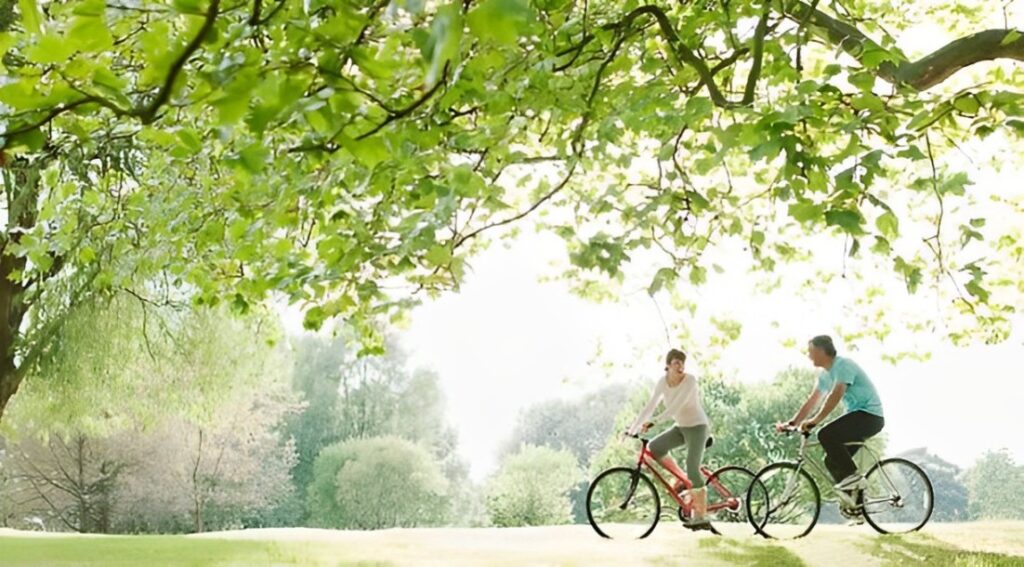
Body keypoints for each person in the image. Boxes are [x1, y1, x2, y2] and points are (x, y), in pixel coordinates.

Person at [777, 335, 885, 514]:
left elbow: (836, 394)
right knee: (831, 461)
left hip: (870, 417)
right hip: (857, 417)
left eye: (811, 351)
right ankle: (856, 505)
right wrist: (792, 423)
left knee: (825, 434)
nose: (809, 355)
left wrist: (815, 421)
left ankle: (855, 479)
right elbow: (812, 401)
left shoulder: (843, 365)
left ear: (821, 351)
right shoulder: (825, 375)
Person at [627, 348, 712, 529]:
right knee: (655, 447)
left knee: (692, 466)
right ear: (667, 366)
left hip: (698, 427)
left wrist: (653, 422)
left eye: (682, 362)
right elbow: (650, 406)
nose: (680, 366)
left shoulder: (690, 381)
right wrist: (632, 429)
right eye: (676, 363)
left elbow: (674, 408)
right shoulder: (662, 383)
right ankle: (685, 481)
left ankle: (701, 516)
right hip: (681, 428)